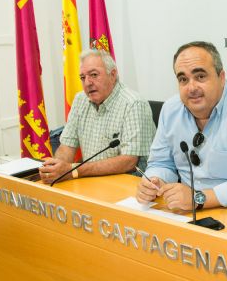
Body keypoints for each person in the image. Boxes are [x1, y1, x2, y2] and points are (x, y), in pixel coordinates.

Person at [136, 41, 227, 211]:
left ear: (221, 77)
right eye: (183, 79)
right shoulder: (170, 109)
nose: (191, 88)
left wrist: (198, 198)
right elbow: (161, 163)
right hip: (187, 208)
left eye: (200, 76)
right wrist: (154, 180)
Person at [39, 50, 155, 183]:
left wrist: (72, 170)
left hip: (129, 183)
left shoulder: (133, 104)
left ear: (112, 75)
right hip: (90, 179)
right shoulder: (80, 100)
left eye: (94, 75)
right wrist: (56, 168)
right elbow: (67, 146)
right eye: (83, 77)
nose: (87, 83)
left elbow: (128, 161)